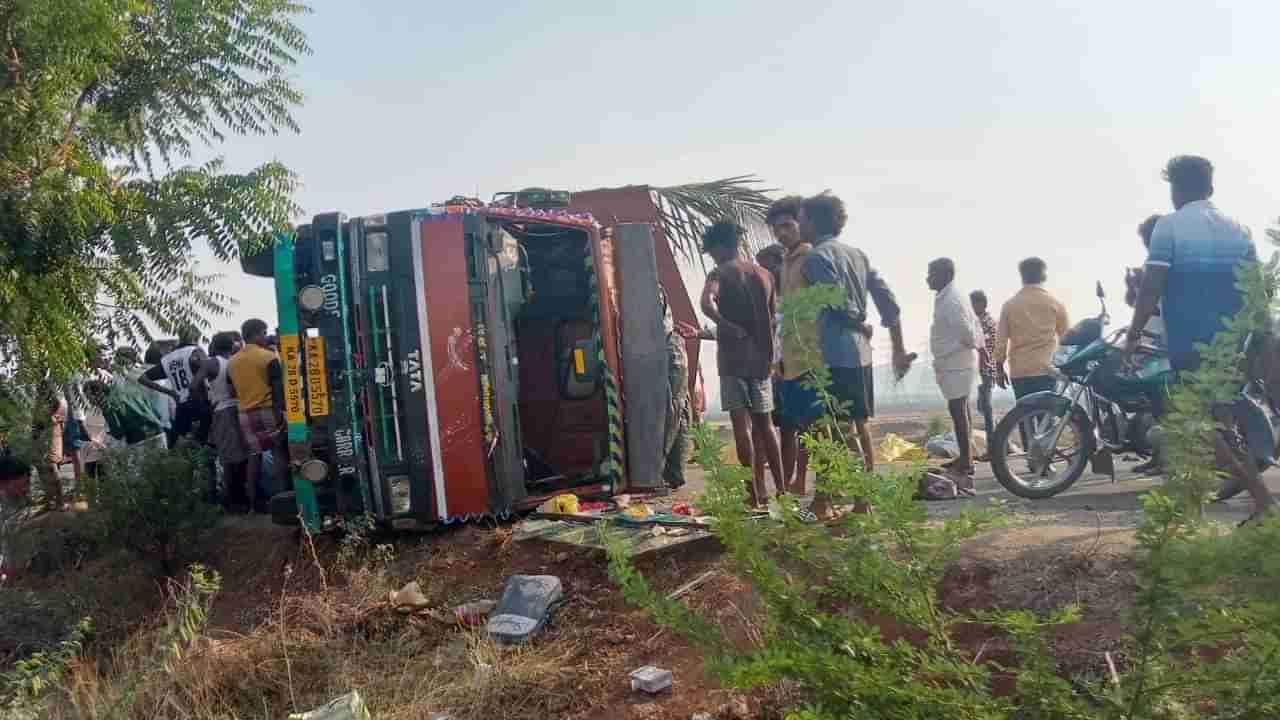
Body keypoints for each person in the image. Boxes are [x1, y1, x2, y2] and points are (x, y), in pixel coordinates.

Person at [1126, 155, 1274, 521]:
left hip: (1191, 345)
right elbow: (1256, 290)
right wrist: (1258, 339)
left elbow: (1150, 288)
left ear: (1175, 190)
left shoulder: (1169, 228)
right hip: (1233, 345)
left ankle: (1262, 499)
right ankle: (1218, 499)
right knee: (1219, 424)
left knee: (1194, 423)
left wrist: (1132, 335)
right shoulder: (1239, 229)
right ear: (1210, 187)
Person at [799, 193, 914, 507]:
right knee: (852, 426)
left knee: (833, 430)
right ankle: (843, 500)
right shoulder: (858, 255)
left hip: (833, 353)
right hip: (861, 355)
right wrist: (898, 348)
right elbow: (888, 304)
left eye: (801, 218)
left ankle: (842, 501)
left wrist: (857, 323)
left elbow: (837, 303)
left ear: (811, 221)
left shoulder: (815, 258)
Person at [695, 220, 782, 507]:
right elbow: (772, 321)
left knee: (742, 428)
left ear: (720, 247)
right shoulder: (765, 275)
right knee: (767, 427)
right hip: (762, 362)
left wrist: (724, 325)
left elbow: (707, 303)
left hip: (733, 361)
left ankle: (753, 496)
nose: (712, 257)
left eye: (712, 252)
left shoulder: (719, 272)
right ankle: (781, 493)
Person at [928, 259, 982, 476]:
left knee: (958, 410)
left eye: (932, 273)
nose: (928, 278)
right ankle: (965, 457)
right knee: (961, 410)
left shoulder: (952, 301)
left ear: (945, 275)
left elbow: (969, 335)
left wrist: (956, 348)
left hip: (957, 364)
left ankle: (966, 462)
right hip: (954, 363)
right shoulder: (947, 297)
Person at [228, 318, 288, 508]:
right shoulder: (268, 357)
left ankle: (253, 502)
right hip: (268, 409)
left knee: (254, 456)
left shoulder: (232, 361)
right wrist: (280, 413)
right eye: (263, 333)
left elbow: (232, 391)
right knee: (279, 452)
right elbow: (278, 389)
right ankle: (283, 497)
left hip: (244, 413)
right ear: (254, 334)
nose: (265, 336)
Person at [195, 331, 252, 510]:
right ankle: (240, 498)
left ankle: (233, 499)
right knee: (239, 456)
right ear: (231, 345)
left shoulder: (215, 362)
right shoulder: (232, 361)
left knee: (231, 457)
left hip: (224, 411)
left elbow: (194, 385)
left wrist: (205, 404)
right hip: (236, 410)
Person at [143, 327, 208, 448]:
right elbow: (207, 370)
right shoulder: (196, 351)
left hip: (181, 407)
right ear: (195, 338)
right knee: (205, 445)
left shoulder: (167, 359)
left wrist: (170, 392)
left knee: (183, 445)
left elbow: (143, 379)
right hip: (200, 403)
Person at [658, 287, 690, 491]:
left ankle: (658, 470)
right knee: (679, 412)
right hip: (673, 349)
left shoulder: (650, 287)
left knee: (672, 412)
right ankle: (675, 473)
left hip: (668, 350)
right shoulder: (654, 285)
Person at [970, 289, 1004, 459]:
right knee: (983, 407)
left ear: (981, 304)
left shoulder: (986, 322)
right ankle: (998, 437)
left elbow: (983, 346)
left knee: (987, 409)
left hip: (986, 369)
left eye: (973, 303)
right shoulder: (980, 321)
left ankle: (994, 447)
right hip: (982, 370)